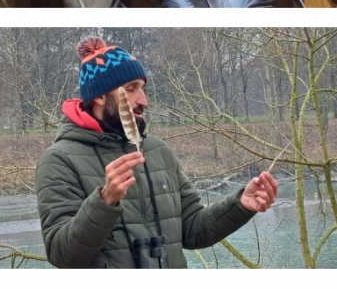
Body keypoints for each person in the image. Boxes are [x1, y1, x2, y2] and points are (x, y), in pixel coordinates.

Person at [36, 37, 278, 268]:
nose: (144, 100)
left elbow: (193, 231)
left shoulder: (157, 150)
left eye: (142, 88)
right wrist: (105, 200)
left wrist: (241, 205)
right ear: (100, 95)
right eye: (131, 89)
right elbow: (62, 254)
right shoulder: (59, 160)